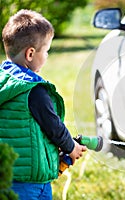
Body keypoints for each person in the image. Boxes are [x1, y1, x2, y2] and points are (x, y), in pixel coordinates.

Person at [0, 9, 87, 199]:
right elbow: (53, 126)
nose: (47, 56)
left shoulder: (3, 81)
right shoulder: (33, 90)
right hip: (32, 181)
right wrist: (71, 147)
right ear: (30, 54)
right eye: (46, 51)